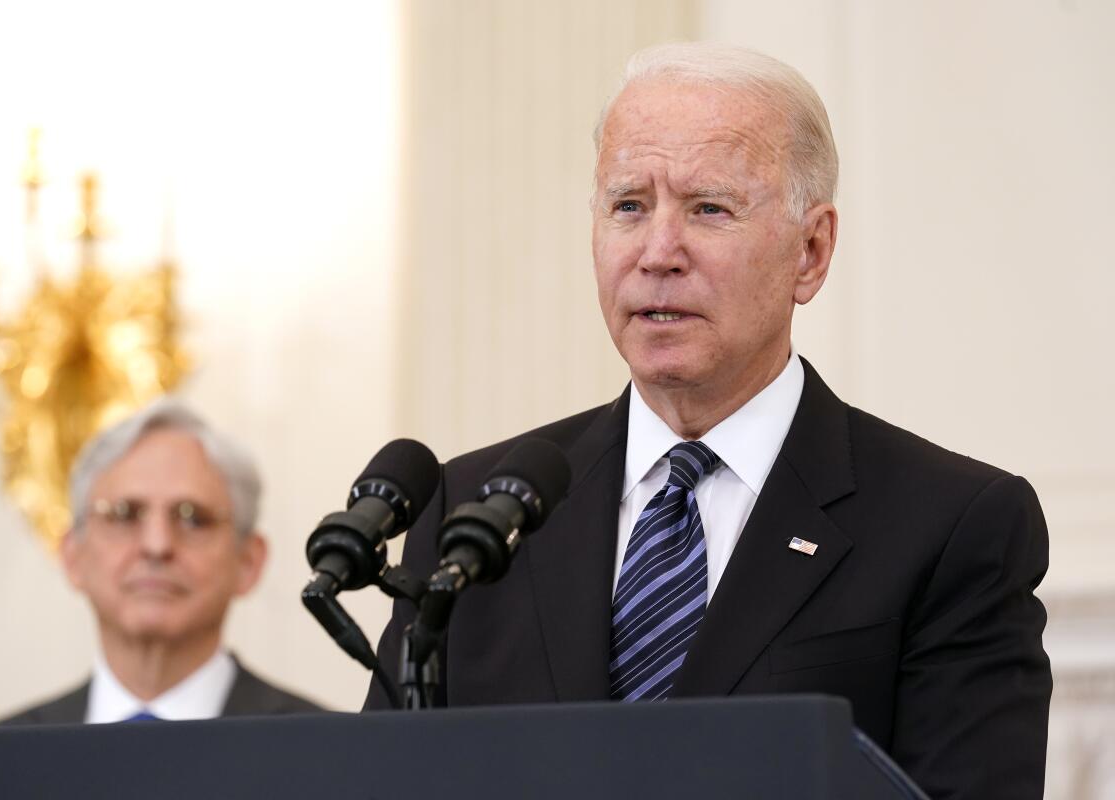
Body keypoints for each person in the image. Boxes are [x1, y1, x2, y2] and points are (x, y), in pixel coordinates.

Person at [366, 42, 1051, 799]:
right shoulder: (476, 513)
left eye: (708, 209)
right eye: (628, 205)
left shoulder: (951, 526)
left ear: (812, 251)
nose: (659, 252)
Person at [0, 399, 319, 800]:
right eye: (125, 513)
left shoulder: (325, 756)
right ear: (73, 556)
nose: (157, 545)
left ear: (249, 561)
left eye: (192, 517)